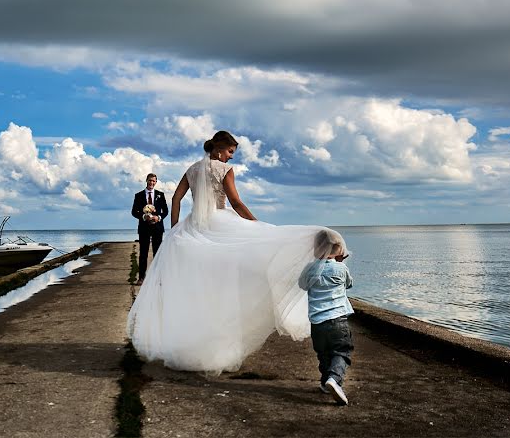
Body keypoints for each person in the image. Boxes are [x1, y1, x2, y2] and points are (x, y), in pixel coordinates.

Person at [126, 130, 346, 375]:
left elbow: (176, 199)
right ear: (220, 149)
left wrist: (176, 228)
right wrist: (258, 226)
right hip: (219, 226)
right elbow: (236, 203)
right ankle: (216, 346)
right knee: (224, 289)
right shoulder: (223, 169)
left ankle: (191, 344)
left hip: (193, 229)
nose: (231, 157)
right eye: (230, 152)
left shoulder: (192, 169)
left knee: (198, 290)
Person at [298, 230, 354, 405]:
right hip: (338, 320)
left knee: (323, 354)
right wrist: (339, 264)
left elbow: (302, 285)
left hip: (317, 322)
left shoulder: (310, 268)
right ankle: (334, 379)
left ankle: (325, 383)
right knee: (342, 351)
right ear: (339, 250)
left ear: (316, 248)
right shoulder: (341, 268)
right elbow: (349, 284)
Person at [131, 173, 169, 285]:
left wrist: (159, 217)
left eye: (154, 181)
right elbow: (134, 212)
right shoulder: (138, 195)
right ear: (146, 181)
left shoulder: (160, 195)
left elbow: (165, 211)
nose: (151, 183)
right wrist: (143, 216)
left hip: (157, 228)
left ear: (156, 182)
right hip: (144, 228)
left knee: (157, 253)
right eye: (150, 180)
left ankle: (158, 278)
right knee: (143, 253)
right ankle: (141, 277)